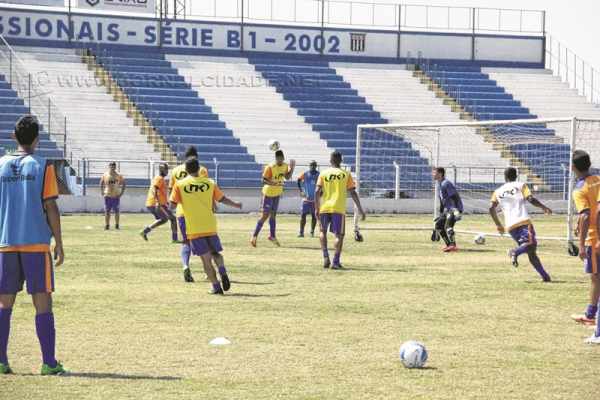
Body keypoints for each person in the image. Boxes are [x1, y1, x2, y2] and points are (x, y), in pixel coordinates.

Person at [0, 116, 66, 375]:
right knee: (42, 303)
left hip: (6, 243)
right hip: (36, 244)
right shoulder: (43, 166)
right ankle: (48, 362)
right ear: (37, 138)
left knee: (4, 304)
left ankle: (2, 361)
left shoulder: (1, 165)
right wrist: (59, 243)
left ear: (14, 137)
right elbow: (51, 205)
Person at [170, 158, 242, 295]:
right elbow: (222, 199)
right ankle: (222, 270)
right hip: (210, 225)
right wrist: (236, 204)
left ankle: (216, 286)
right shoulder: (210, 183)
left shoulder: (180, 185)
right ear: (199, 169)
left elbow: (172, 205)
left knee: (206, 260)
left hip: (194, 228)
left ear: (186, 170)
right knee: (216, 253)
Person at [489, 167, 552, 282]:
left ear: (505, 177)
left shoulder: (497, 192)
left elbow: (491, 208)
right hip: (523, 221)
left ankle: (545, 277)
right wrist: (544, 207)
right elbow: (531, 199)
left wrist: (499, 225)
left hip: (510, 226)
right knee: (531, 244)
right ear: (516, 176)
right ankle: (514, 252)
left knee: (530, 251)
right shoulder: (521, 185)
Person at [315, 151, 366, 269]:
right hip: (338, 208)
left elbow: (317, 192)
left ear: (330, 160)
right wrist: (360, 209)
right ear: (341, 161)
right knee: (339, 235)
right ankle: (336, 262)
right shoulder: (346, 174)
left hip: (324, 207)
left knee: (322, 232)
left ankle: (325, 257)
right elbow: (353, 192)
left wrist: (316, 208)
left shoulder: (323, 173)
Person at [568, 151, 600, 335]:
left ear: (573, 167)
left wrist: (580, 244)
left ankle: (590, 314)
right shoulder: (598, 179)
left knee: (595, 277)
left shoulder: (580, 188)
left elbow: (586, 215)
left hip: (594, 239)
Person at [169, 147, 209, 283]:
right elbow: (205, 189)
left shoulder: (175, 171)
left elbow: (171, 191)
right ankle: (208, 272)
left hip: (181, 212)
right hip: (198, 212)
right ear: (196, 157)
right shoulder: (202, 170)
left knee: (186, 242)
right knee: (205, 241)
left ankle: (185, 265)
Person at [251, 150, 295, 247]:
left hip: (277, 193)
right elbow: (263, 180)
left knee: (273, 215)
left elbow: (287, 177)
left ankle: (272, 236)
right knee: (265, 215)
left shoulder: (285, 166)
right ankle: (254, 236)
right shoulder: (270, 167)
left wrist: (292, 168)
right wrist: (274, 183)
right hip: (268, 193)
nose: (280, 160)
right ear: (276, 158)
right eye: (278, 159)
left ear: (283, 158)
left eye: (281, 159)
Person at [140, 163, 177, 243]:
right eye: (165, 169)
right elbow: (155, 190)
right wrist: (158, 202)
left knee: (163, 220)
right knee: (173, 219)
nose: (167, 171)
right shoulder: (159, 178)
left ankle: (145, 231)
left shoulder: (160, 179)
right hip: (158, 204)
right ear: (161, 170)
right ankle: (175, 239)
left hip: (159, 203)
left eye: (167, 169)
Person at [433, 167, 463, 252]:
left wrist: (455, 210)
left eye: (434, 173)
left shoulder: (446, 183)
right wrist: (441, 215)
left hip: (454, 209)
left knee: (448, 226)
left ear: (440, 174)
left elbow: (454, 196)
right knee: (438, 225)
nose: (433, 174)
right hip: (448, 210)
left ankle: (453, 245)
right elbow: (443, 201)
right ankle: (449, 245)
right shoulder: (440, 184)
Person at [99, 161, 125, 230]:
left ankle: (117, 225)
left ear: (115, 167)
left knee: (116, 211)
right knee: (107, 211)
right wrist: (102, 192)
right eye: (111, 166)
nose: (112, 167)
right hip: (107, 195)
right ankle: (107, 225)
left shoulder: (119, 175)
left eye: (114, 166)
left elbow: (124, 184)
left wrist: (121, 193)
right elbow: (101, 183)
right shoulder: (105, 174)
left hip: (116, 196)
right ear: (109, 166)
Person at [297, 161, 319, 237]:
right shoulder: (305, 174)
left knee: (314, 216)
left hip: (315, 199)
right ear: (309, 166)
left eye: (314, 165)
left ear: (316, 166)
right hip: (306, 199)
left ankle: (312, 232)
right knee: (303, 215)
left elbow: (323, 185)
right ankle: (301, 232)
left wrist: (321, 192)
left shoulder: (319, 175)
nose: (312, 166)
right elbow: (298, 180)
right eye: (311, 165)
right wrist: (301, 190)